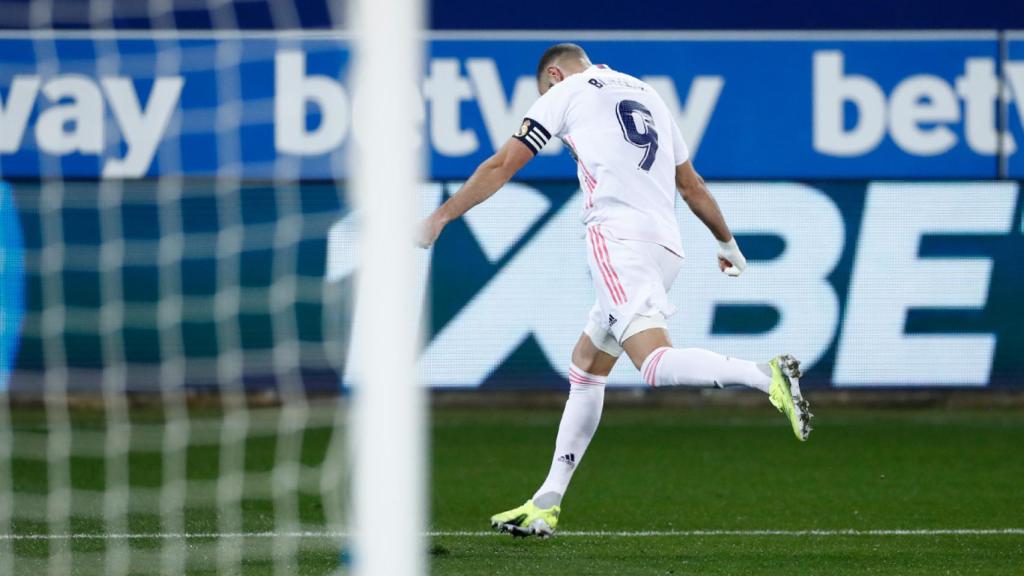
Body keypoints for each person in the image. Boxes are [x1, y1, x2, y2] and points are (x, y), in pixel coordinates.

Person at [417, 43, 812, 538]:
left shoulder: (565, 92)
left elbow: (501, 166)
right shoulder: (649, 94)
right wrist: (728, 243)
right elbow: (691, 185)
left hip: (617, 238)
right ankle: (546, 501)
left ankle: (763, 374)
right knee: (586, 367)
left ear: (555, 74)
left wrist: (440, 217)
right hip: (667, 247)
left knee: (652, 363)